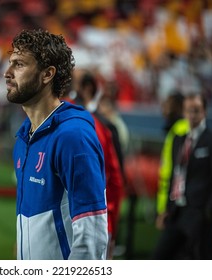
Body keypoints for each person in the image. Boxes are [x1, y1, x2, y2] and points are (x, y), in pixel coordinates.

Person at [4, 29, 108, 260]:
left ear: (47, 74)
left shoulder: (73, 136)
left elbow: (92, 232)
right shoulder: (24, 137)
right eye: (10, 63)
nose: (7, 73)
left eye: (19, 65)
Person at [152, 93, 212, 259]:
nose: (192, 115)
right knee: (160, 257)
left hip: (200, 214)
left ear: (205, 112)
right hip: (178, 211)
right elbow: (174, 175)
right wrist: (166, 208)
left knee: (197, 260)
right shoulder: (178, 140)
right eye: (189, 110)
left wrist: (209, 211)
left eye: (196, 110)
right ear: (184, 112)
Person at [72, 71, 124, 259]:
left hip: (71, 222)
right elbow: (117, 181)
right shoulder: (103, 126)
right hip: (96, 220)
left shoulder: (57, 120)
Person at [155, 92, 189, 230]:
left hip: (175, 204)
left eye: (167, 103)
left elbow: (175, 171)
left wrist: (167, 208)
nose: (163, 107)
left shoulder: (180, 131)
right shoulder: (176, 129)